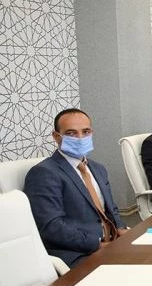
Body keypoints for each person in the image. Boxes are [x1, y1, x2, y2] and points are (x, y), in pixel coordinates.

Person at [24, 108, 127, 267]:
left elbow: (111, 208)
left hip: (112, 242)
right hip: (79, 253)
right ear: (56, 136)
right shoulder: (43, 173)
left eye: (86, 132)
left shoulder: (98, 168)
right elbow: (51, 227)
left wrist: (120, 228)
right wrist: (98, 245)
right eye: (71, 133)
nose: (80, 138)